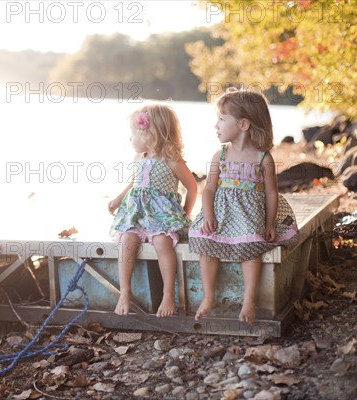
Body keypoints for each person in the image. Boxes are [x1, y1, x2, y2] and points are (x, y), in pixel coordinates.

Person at [188, 88, 299, 324]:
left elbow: (271, 193)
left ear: (244, 124)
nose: (216, 125)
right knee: (206, 245)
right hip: (221, 215)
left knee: (252, 248)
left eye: (221, 118)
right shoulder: (221, 155)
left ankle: (250, 300)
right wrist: (208, 216)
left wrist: (269, 223)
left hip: (249, 218)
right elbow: (208, 189)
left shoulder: (263, 158)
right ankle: (209, 296)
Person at [109, 104, 198, 318]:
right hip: (137, 215)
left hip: (162, 217)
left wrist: (184, 213)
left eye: (133, 134)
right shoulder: (139, 158)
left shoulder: (172, 160)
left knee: (162, 242)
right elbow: (133, 183)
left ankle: (168, 294)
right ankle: (125, 291)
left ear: (150, 134)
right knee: (127, 241)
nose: (130, 139)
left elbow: (192, 187)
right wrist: (118, 199)